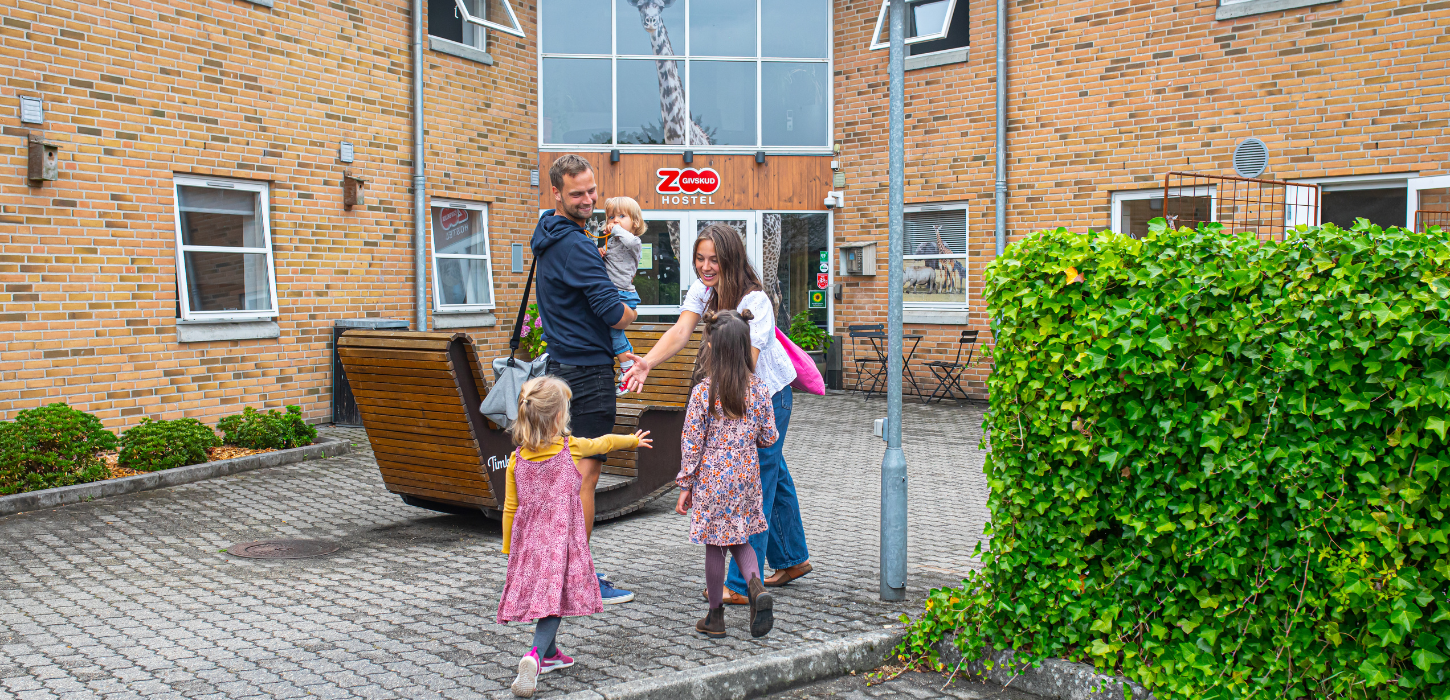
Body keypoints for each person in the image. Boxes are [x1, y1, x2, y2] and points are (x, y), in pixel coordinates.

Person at [623, 224, 813, 605]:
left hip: (766, 398)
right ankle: (793, 558)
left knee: (756, 485)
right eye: (700, 258)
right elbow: (680, 331)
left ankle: (742, 586)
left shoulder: (755, 302)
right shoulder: (704, 289)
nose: (706, 267)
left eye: (714, 260)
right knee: (775, 474)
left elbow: (747, 365)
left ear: (731, 259)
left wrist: (711, 412)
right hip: (735, 395)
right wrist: (647, 364)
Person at [498, 376, 652, 697]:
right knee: (554, 603)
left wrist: (508, 547)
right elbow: (604, 442)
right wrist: (632, 441)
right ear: (559, 417)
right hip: (561, 542)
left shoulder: (516, 459)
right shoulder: (571, 449)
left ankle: (551, 654)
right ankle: (535, 656)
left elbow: (510, 507)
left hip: (530, 543)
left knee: (547, 596)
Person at [532, 154, 639, 603]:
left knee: (565, 478)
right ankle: (578, 580)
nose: (589, 200)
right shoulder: (576, 246)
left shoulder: (548, 237)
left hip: (559, 369)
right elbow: (615, 313)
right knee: (584, 478)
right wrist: (630, 312)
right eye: (577, 193)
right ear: (555, 192)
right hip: (588, 376)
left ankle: (554, 572)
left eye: (592, 190)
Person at [675, 309, 779, 639]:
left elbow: (692, 441)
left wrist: (685, 484)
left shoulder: (704, 392)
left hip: (711, 481)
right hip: (746, 481)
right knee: (741, 539)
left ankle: (715, 616)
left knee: (714, 546)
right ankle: (755, 587)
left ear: (712, 348)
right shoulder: (759, 390)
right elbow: (769, 437)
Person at [600, 196, 645, 394]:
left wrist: (615, 228)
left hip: (623, 295)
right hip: (613, 293)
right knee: (613, 333)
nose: (615, 220)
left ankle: (627, 369)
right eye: (611, 217)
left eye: (621, 216)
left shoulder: (634, 241)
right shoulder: (613, 242)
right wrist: (600, 252)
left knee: (614, 332)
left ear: (635, 223)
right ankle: (626, 368)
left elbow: (629, 240)